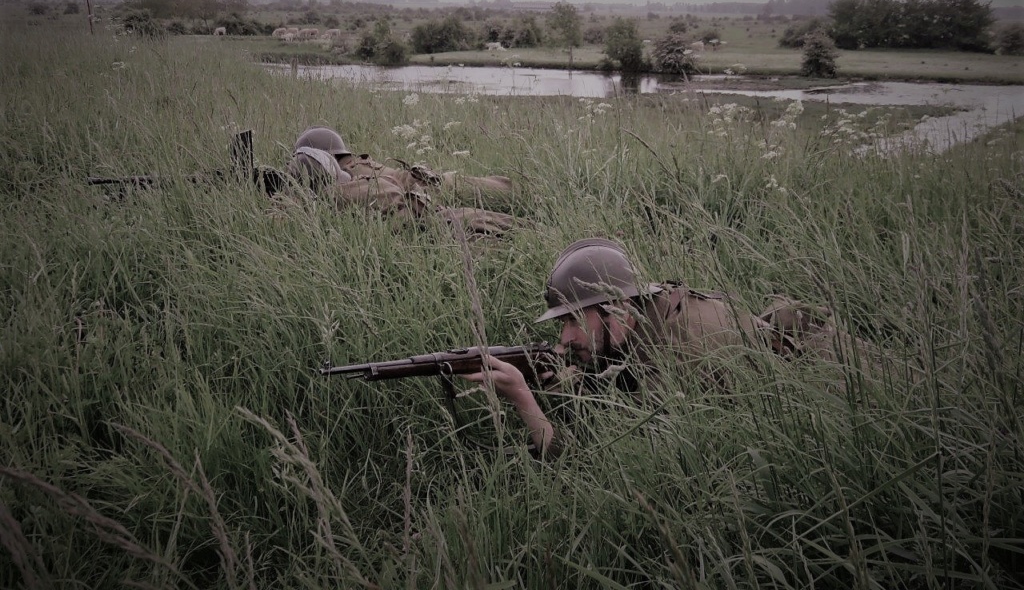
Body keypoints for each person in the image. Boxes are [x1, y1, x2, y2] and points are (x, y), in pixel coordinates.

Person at [461, 237, 885, 458]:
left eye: (573, 321)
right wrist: (558, 380)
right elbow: (615, 375)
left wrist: (523, 398)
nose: (564, 339)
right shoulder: (644, 311)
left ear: (619, 308)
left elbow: (600, 463)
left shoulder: (679, 359)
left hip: (855, 388)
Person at [284, 126, 520, 238]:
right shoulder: (362, 163)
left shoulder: (348, 178)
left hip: (425, 203)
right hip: (437, 185)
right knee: (504, 191)